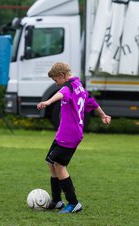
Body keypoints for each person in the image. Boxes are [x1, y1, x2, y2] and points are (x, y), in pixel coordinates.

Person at [37, 62, 111, 213]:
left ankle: (74, 203)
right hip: (63, 134)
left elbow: (62, 93)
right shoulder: (80, 87)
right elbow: (93, 102)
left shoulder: (69, 87)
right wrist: (103, 115)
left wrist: (48, 101)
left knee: (59, 165)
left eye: (56, 80)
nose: (56, 83)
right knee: (50, 162)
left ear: (63, 75)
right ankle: (57, 201)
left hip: (70, 135)